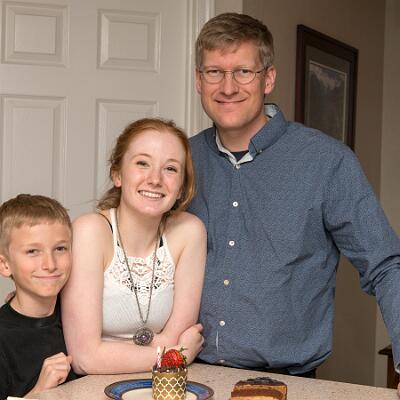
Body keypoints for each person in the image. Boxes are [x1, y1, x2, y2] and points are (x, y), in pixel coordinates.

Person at [189, 12, 400, 381]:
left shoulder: (327, 162)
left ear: (268, 78)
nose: (227, 87)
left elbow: (385, 265)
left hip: (286, 382)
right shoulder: (180, 161)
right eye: (214, 72)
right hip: (186, 375)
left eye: (243, 71)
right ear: (198, 80)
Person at [61, 118, 206, 375]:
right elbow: (85, 359)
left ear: (181, 186)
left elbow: (177, 335)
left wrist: (110, 352)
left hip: (163, 384)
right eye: (142, 163)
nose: (155, 179)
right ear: (117, 174)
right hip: (91, 386)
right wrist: (177, 355)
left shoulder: (189, 231)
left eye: (170, 168)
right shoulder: (91, 231)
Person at [0, 194, 77, 399]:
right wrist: (39, 392)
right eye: (33, 251)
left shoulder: (80, 317)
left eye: (60, 248)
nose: (50, 264)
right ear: (5, 265)